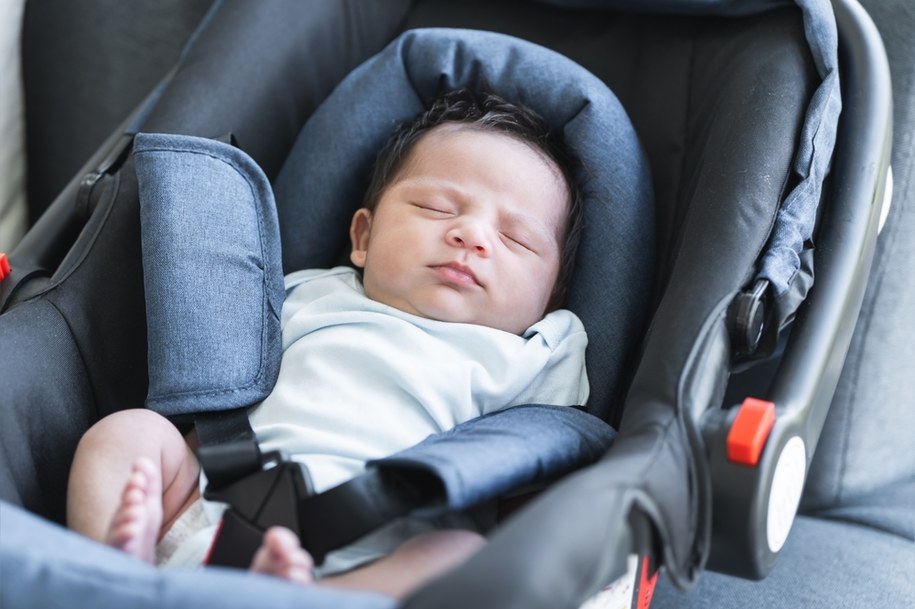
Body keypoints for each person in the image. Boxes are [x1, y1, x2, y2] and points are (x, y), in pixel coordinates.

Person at [66, 87, 588, 600]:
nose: (471, 235)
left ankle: (311, 596)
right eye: (435, 207)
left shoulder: (533, 354)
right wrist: (192, 462)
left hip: (371, 558)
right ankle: (113, 567)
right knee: (128, 434)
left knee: (464, 553)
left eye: (516, 239)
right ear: (362, 239)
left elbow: (536, 477)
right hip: (206, 511)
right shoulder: (310, 292)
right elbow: (226, 391)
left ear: (551, 296)